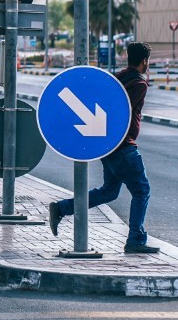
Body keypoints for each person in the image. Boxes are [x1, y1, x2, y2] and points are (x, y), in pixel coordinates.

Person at [49, 42, 158, 254]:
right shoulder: (139, 84)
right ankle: (135, 238)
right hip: (124, 146)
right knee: (141, 190)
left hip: (109, 146)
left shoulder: (117, 77)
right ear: (144, 61)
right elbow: (122, 111)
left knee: (109, 192)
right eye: (148, 61)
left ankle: (62, 208)